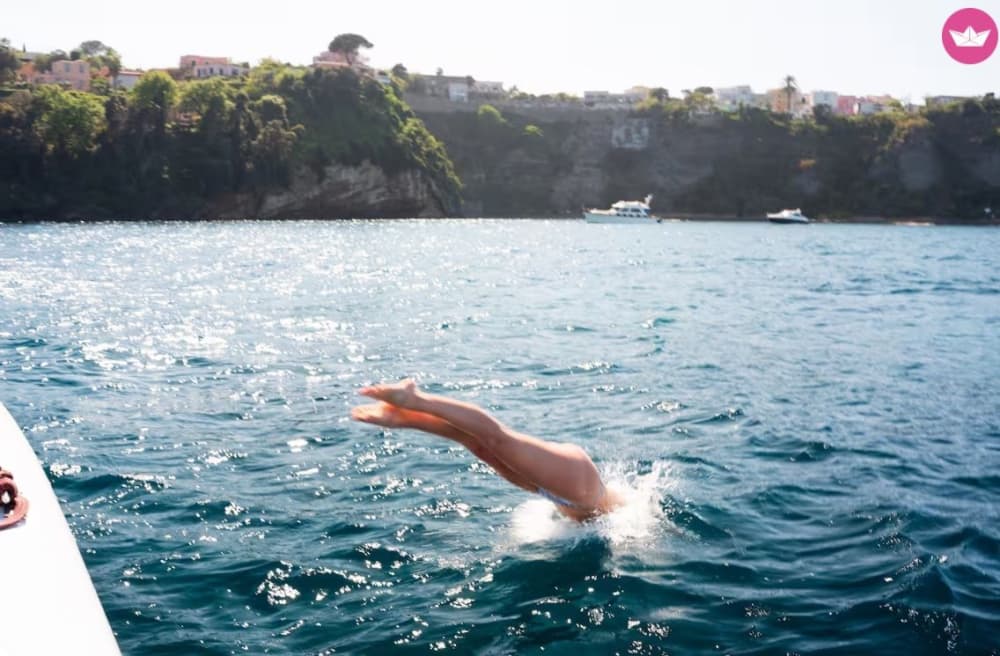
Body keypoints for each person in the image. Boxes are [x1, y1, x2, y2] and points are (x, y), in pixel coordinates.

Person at [351, 379, 623, 522]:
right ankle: (416, 398)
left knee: (480, 446)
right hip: (581, 489)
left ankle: (404, 417)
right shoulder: (618, 512)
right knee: (497, 439)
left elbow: (476, 440)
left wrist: (402, 421)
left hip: (560, 494)